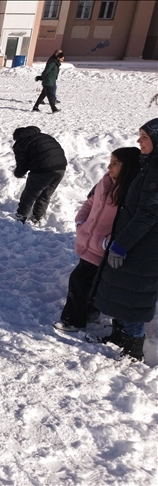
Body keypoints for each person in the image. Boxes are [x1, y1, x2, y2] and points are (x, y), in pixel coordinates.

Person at [92, 119, 158, 362]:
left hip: (144, 248)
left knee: (132, 299)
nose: (138, 141)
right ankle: (119, 336)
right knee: (121, 292)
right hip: (133, 243)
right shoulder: (149, 165)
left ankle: (133, 349)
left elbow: (148, 214)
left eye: (144, 137)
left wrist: (122, 245)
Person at [55, 147, 141, 332]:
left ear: (128, 166)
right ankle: (90, 314)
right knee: (91, 283)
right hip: (89, 242)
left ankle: (73, 321)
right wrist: (81, 221)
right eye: (110, 162)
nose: (109, 167)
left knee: (79, 281)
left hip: (104, 248)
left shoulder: (131, 192)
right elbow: (90, 202)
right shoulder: (106, 181)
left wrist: (109, 241)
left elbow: (130, 223)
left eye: (115, 163)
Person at [11, 126, 68, 224]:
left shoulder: (22, 143)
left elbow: (22, 164)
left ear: (18, 137)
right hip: (61, 167)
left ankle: (21, 215)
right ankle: (36, 217)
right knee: (45, 194)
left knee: (30, 194)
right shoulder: (44, 136)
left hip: (43, 168)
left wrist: (18, 174)